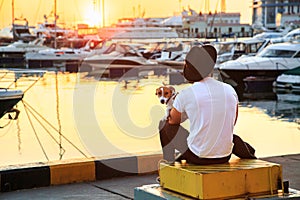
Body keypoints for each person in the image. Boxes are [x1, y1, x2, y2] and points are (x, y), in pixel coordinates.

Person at [159, 45, 256, 165]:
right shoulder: (230, 90)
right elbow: (232, 122)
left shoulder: (185, 94)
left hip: (197, 157)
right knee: (227, 135)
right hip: (225, 156)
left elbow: (172, 121)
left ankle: (168, 165)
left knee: (164, 125)